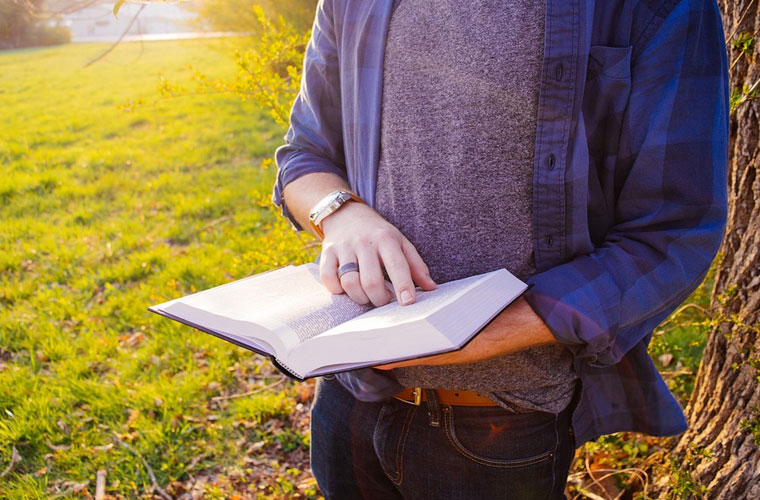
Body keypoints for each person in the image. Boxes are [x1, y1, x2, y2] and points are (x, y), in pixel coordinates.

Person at [272, 0, 729, 498]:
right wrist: (342, 214)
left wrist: (480, 333)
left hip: (502, 424)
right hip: (349, 393)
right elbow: (304, 154)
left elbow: (672, 233)